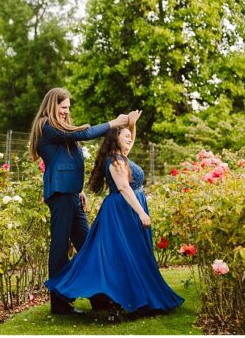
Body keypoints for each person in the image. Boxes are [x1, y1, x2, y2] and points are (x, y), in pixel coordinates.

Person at [44, 110, 184, 321]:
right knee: (121, 255)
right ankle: (109, 299)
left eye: (130, 136)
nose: (130, 139)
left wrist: (132, 125)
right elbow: (124, 188)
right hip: (122, 212)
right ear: (115, 139)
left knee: (133, 254)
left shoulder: (122, 157)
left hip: (126, 210)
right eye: (125, 136)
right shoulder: (116, 161)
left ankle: (130, 297)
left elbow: (130, 141)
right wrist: (141, 213)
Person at [27, 87, 131, 315]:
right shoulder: (47, 125)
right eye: (63, 107)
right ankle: (59, 303)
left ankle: (99, 298)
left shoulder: (60, 129)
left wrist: (79, 189)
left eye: (68, 108)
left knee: (87, 245)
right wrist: (114, 123)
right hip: (60, 195)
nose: (66, 112)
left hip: (71, 194)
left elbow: (68, 159)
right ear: (52, 105)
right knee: (60, 247)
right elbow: (84, 134)